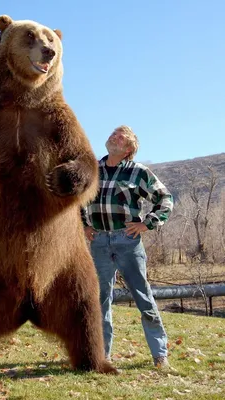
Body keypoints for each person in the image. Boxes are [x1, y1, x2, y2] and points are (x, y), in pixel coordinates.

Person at [81, 125, 174, 368]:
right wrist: (84, 226)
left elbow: (165, 199)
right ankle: (102, 356)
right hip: (99, 241)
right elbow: (77, 201)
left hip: (127, 241)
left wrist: (147, 224)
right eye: (112, 133)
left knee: (143, 297)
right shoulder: (93, 170)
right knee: (99, 300)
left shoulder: (138, 172)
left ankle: (159, 354)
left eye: (120, 136)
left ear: (129, 149)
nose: (114, 136)